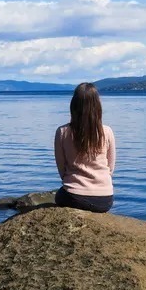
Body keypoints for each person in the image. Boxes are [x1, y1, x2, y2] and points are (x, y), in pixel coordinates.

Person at [53, 82, 115, 213]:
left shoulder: (62, 132)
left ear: (73, 105)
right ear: (97, 106)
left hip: (73, 197)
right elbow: (110, 168)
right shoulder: (107, 132)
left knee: (58, 196)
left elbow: (62, 169)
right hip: (105, 200)